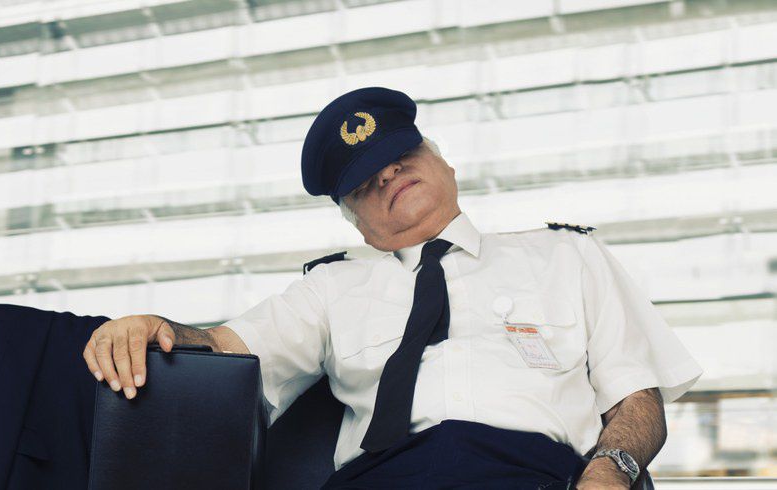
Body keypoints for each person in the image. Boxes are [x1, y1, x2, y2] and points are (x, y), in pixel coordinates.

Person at [82, 87, 703, 489]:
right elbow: (227, 351)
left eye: (402, 154)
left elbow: (635, 399)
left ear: (444, 162)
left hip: (533, 476)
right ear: (356, 220)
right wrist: (156, 327)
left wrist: (610, 472)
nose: (388, 175)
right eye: (364, 181)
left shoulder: (567, 255)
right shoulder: (331, 287)